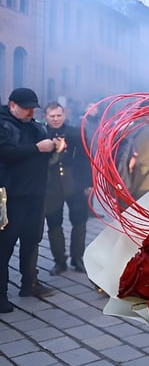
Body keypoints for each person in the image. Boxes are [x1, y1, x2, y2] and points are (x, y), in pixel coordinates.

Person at [0, 88, 59, 312]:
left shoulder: (35, 125)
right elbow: (5, 152)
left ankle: (29, 283)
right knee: (4, 247)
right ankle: (1, 295)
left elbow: (44, 154)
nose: (30, 111)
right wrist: (36, 148)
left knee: (31, 241)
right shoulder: (3, 124)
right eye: (26, 107)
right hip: (11, 196)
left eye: (33, 107)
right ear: (12, 104)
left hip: (35, 194)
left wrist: (54, 149)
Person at [43, 102, 93, 274]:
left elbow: (86, 158)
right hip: (51, 184)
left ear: (64, 115)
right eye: (52, 116)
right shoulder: (41, 133)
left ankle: (77, 258)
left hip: (75, 181)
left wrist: (88, 183)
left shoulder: (75, 132)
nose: (56, 119)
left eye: (58, 115)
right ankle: (59, 261)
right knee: (54, 222)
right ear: (46, 117)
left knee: (79, 220)